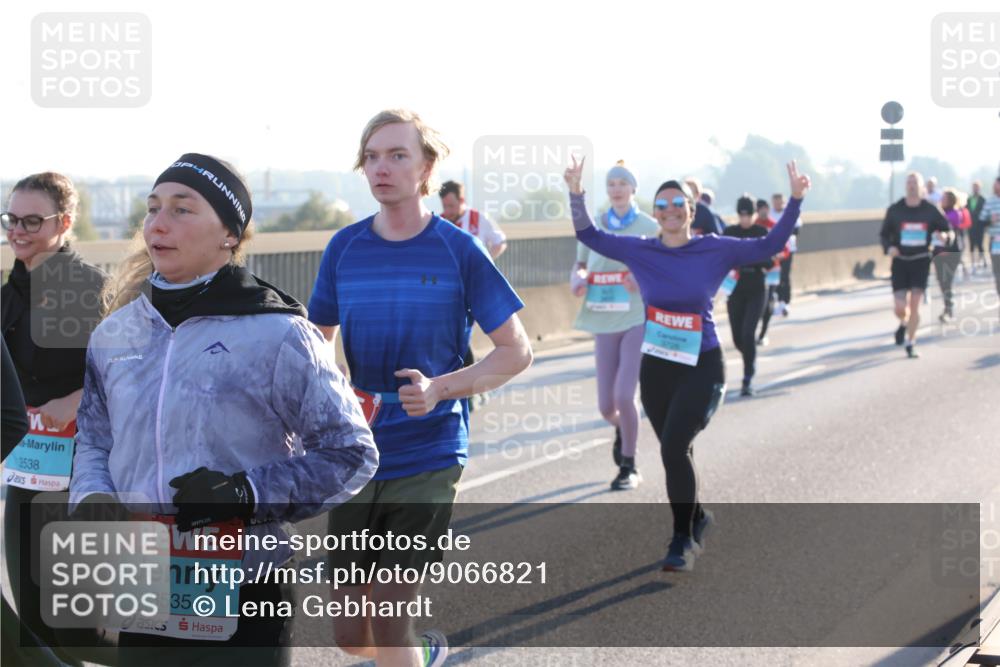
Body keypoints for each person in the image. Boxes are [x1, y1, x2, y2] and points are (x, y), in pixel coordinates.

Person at [69, 153, 379, 666]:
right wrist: (94, 498)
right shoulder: (115, 333)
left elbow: (350, 453)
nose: (158, 223)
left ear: (229, 235)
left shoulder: (278, 333)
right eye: (152, 208)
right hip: (143, 582)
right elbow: (95, 440)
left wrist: (245, 493)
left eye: (182, 209)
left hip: (246, 587)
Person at [308, 109, 532, 667]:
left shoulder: (459, 250)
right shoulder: (344, 248)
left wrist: (440, 389)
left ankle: (406, 651)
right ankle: (424, 655)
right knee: (347, 634)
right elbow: (317, 342)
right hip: (359, 452)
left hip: (430, 449)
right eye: (372, 156)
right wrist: (327, 396)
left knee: (386, 619)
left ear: (426, 166)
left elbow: (516, 351)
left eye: (397, 155)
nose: (381, 167)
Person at [565, 155, 810, 572]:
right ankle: (698, 517)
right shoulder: (640, 250)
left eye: (678, 203)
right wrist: (576, 193)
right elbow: (589, 235)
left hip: (703, 366)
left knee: (676, 444)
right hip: (658, 365)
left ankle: (682, 540)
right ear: (655, 214)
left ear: (691, 212)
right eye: (661, 205)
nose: (670, 210)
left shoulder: (712, 248)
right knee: (673, 450)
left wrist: (796, 201)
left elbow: (768, 246)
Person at [1, 172, 108, 666]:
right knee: (28, 609)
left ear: (64, 222)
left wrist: (78, 399)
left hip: (76, 474)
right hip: (23, 470)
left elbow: (135, 376)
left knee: (74, 621)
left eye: (30, 220)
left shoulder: (91, 290)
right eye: (10, 219)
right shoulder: (7, 294)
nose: (16, 230)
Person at [570, 161, 659, 489]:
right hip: (602, 317)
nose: (617, 188)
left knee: (624, 395)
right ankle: (624, 428)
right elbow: (580, 263)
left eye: (623, 183)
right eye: (611, 184)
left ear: (633, 188)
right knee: (607, 406)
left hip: (636, 318)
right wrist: (577, 278)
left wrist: (643, 278)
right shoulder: (595, 227)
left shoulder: (649, 225)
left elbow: (661, 267)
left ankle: (629, 465)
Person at [879, 172, 953, 358]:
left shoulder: (930, 209)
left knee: (915, 305)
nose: (912, 186)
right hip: (900, 262)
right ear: (906, 186)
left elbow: (948, 230)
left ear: (921, 187)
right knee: (900, 307)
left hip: (921, 260)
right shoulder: (896, 209)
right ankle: (904, 324)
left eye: (915, 183)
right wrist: (889, 248)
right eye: (909, 182)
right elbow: (883, 234)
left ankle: (911, 343)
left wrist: (945, 237)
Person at [723, 196, 774, 396]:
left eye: (748, 215)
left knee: (747, 333)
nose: (745, 219)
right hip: (735, 289)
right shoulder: (730, 233)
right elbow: (723, 257)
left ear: (754, 214)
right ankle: (750, 357)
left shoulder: (760, 233)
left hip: (756, 288)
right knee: (737, 338)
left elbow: (769, 260)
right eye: (741, 215)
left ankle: (747, 378)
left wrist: (754, 258)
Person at [439, 180, 507, 259]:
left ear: (461, 200)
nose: (447, 211)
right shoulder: (439, 222)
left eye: (451, 206)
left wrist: (484, 262)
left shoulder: (480, 218)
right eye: (444, 206)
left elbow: (500, 242)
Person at [753, 198, 782, 345]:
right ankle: (752, 331)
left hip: (773, 269)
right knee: (758, 303)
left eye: (765, 208)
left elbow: (785, 246)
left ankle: (763, 333)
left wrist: (779, 253)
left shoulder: (774, 226)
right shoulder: (753, 226)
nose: (763, 211)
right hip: (757, 269)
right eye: (760, 209)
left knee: (768, 301)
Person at [934, 189, 965, 322]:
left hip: (952, 250)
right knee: (941, 280)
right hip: (938, 251)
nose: (942, 200)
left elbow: (949, 229)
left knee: (947, 280)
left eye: (944, 198)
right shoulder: (939, 213)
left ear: (951, 200)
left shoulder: (955, 213)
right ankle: (948, 306)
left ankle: (949, 307)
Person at [771, 192, 800, 317]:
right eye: (775, 201)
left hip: (788, 249)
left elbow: (797, 229)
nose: (778, 204)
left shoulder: (790, 212)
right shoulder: (769, 214)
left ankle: (785, 302)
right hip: (774, 250)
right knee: (776, 276)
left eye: (780, 201)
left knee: (785, 275)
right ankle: (778, 300)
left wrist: (783, 231)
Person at [982, 176, 1000, 302]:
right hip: (995, 241)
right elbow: (981, 220)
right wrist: (990, 220)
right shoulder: (990, 201)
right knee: (997, 272)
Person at [967, 180, 988, 272]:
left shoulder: (983, 200)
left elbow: (985, 212)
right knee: (971, 244)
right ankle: (972, 262)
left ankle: (983, 260)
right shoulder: (969, 199)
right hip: (971, 225)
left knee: (980, 244)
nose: (975, 189)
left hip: (980, 225)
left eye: (977, 187)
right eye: (974, 187)